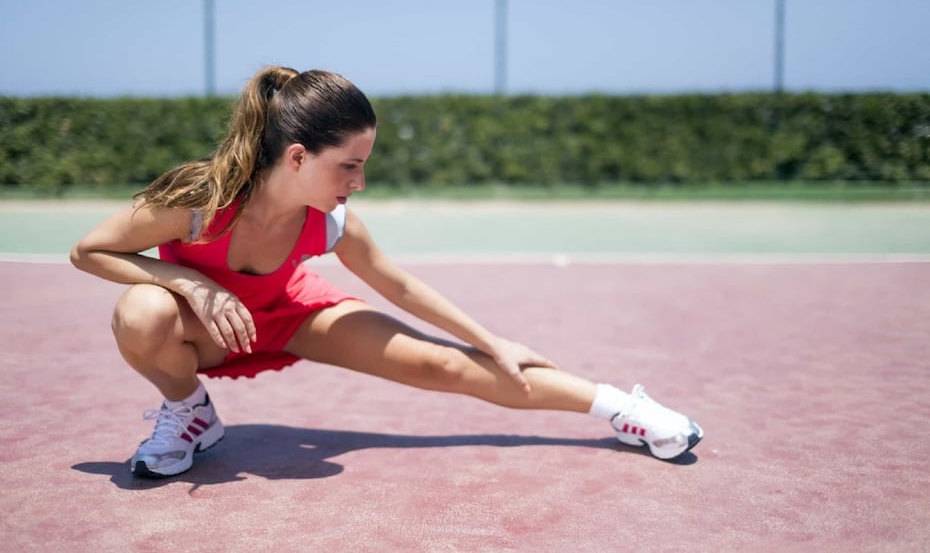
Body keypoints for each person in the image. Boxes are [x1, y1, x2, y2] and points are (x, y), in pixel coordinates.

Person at [70, 66, 703, 477]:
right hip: (206, 329)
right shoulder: (201, 203)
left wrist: (491, 341)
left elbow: (398, 285)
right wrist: (188, 282)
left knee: (445, 363)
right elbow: (88, 250)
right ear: (297, 157)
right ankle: (190, 412)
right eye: (348, 165)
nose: (360, 181)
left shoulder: (330, 221)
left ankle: (622, 408)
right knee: (141, 312)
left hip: (293, 316)